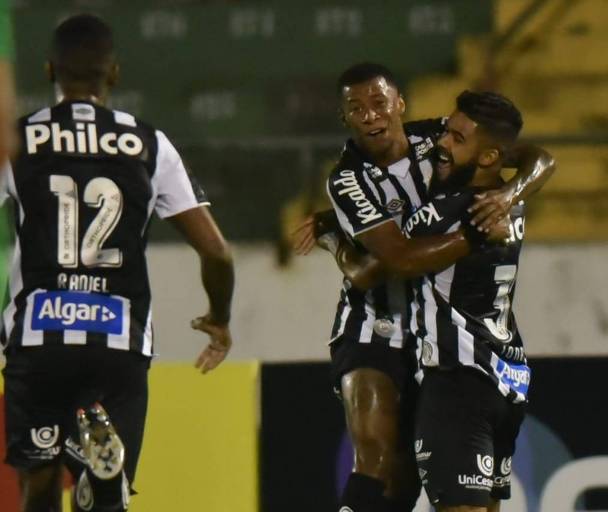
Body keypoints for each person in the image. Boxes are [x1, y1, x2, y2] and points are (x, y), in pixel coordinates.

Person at [293, 62, 554, 512]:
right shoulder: (349, 179)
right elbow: (388, 264)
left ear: (400, 103)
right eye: (357, 109)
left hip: (433, 328)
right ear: (345, 119)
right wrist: (337, 236)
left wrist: (508, 197)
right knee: (375, 456)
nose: (371, 116)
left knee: (404, 485)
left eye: (378, 103)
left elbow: (536, 157)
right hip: (374, 323)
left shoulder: (440, 137)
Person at [0, 15, 235, 512]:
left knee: (38, 486)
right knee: (108, 500)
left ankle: (77, 464)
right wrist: (219, 316)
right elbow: (216, 251)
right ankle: (102, 482)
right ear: (115, 74)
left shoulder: (18, 141)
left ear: (50, 70)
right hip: (118, 337)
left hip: (40, 336)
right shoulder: (151, 144)